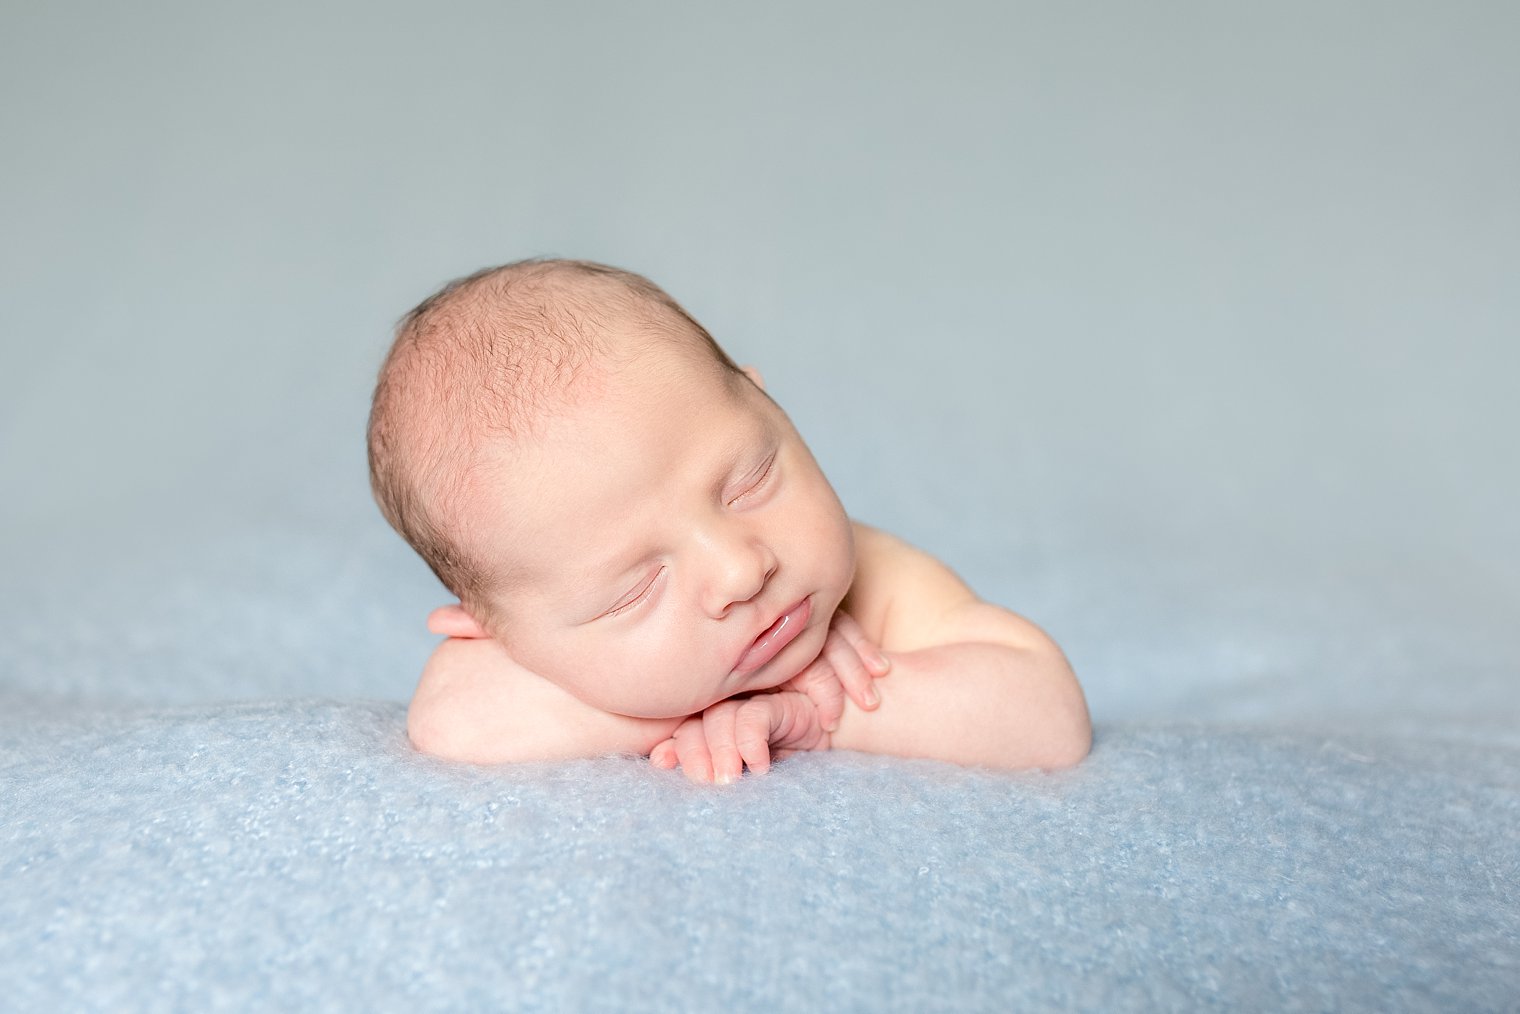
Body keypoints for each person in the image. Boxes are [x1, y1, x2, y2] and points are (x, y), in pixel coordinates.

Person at [367, 258, 1090, 783]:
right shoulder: (504, 660)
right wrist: (699, 702)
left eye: (748, 483)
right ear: (492, 630)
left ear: (767, 403)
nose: (741, 570)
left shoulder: (876, 579)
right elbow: (452, 720)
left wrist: (820, 711)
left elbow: (1048, 715)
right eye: (635, 589)